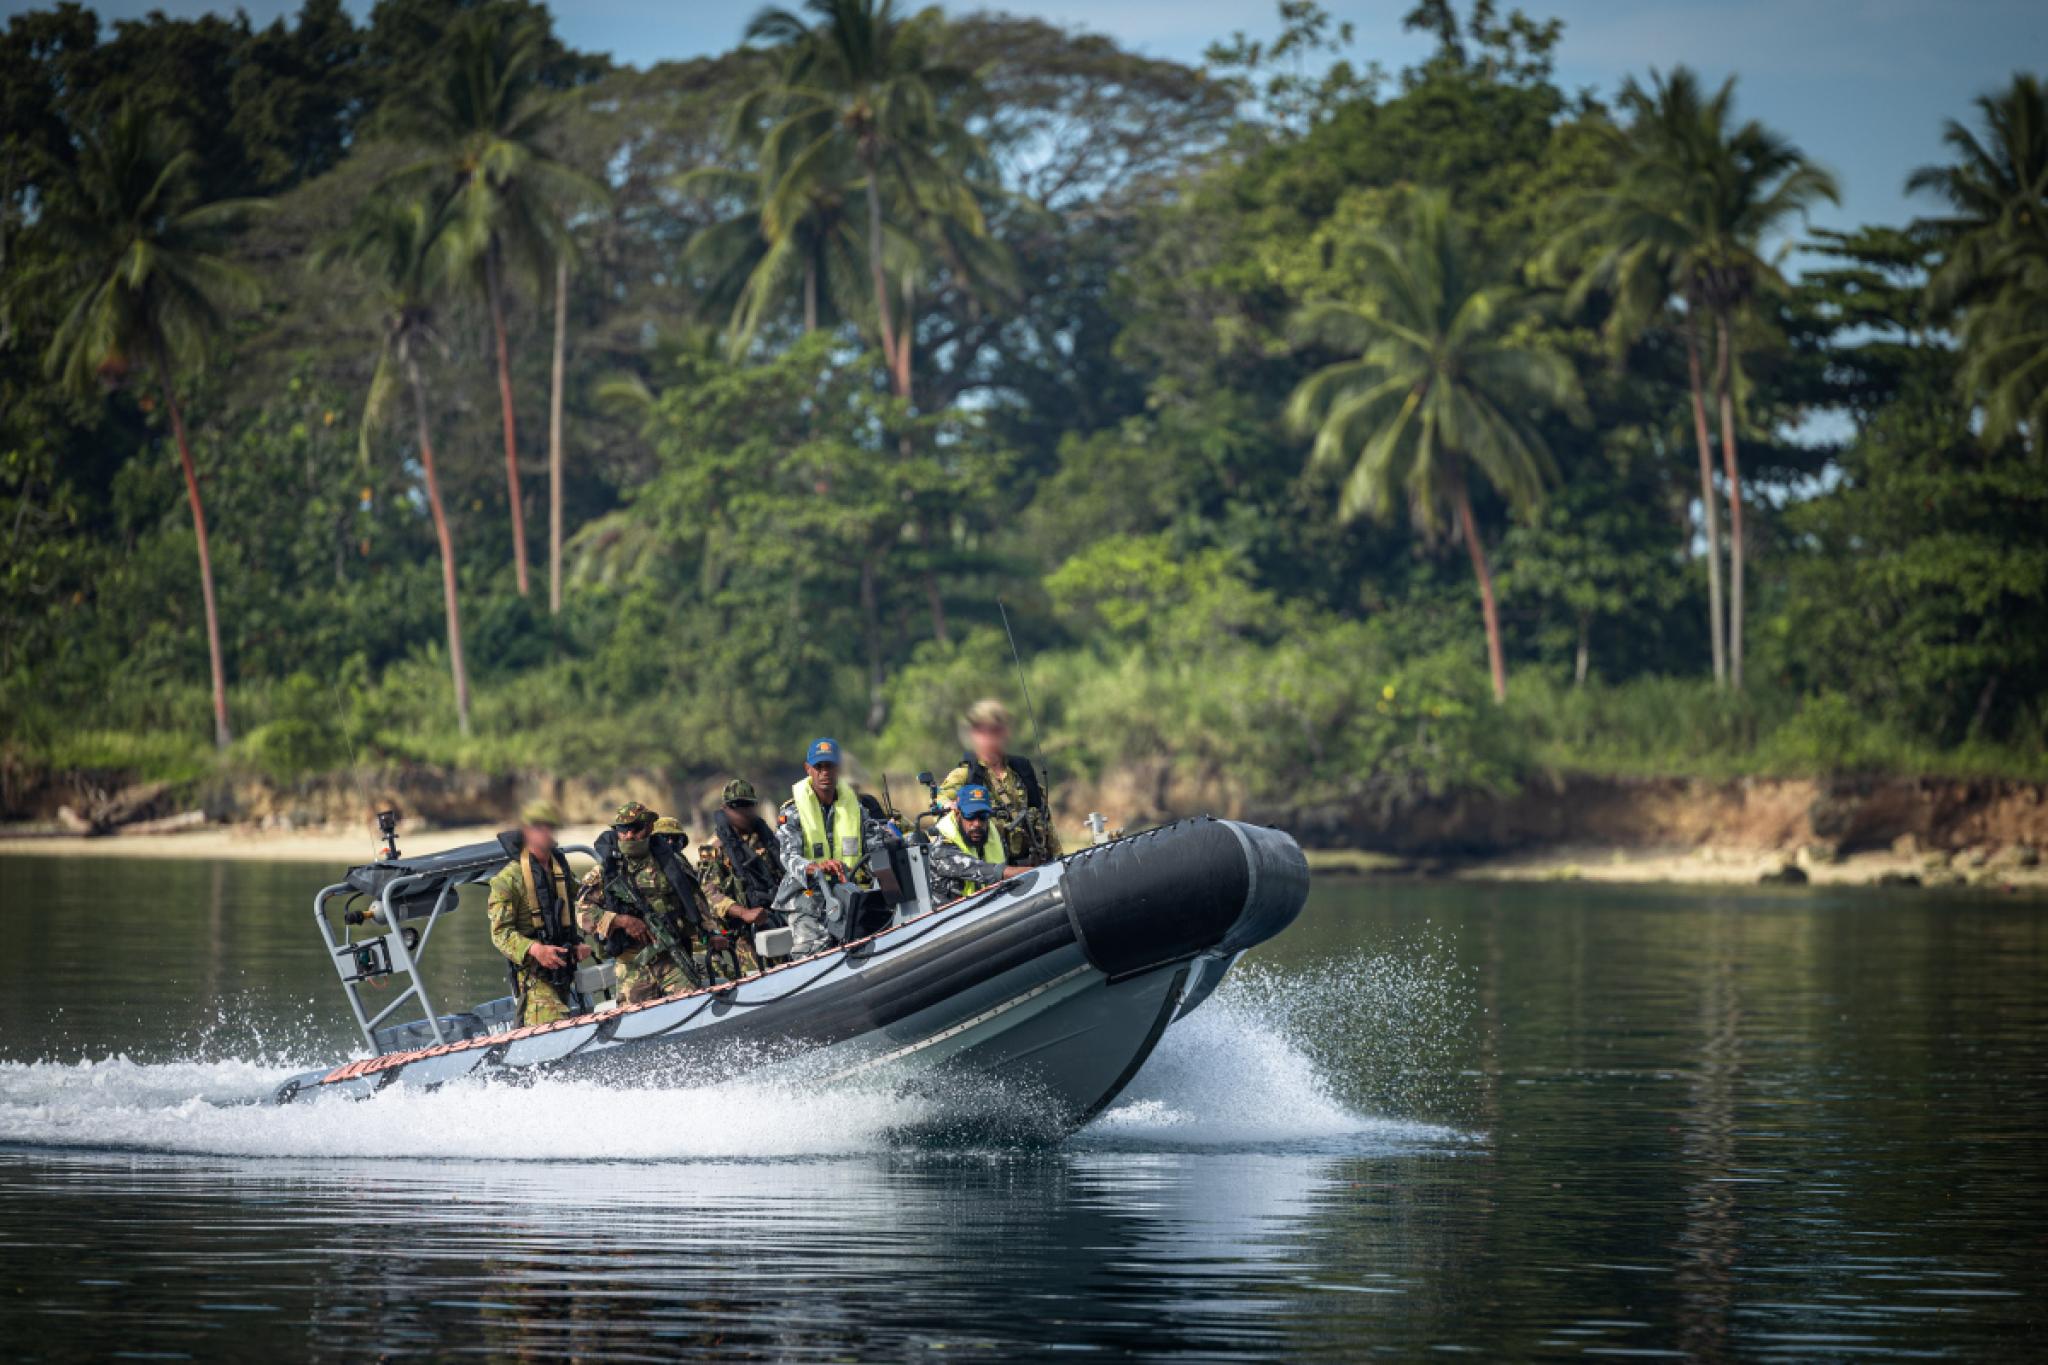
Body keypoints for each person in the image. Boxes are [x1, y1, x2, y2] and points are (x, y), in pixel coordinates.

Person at [576, 801, 724, 1004]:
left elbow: (696, 899)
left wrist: (711, 933)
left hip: (672, 956)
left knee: (695, 1004)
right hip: (633, 966)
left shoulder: (671, 862)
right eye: (622, 830)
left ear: (649, 828)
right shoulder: (606, 872)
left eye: (635, 829)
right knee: (635, 1025)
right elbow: (582, 913)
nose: (629, 836)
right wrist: (623, 921)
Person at [776, 737, 891, 954]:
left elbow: (876, 847)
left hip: (848, 893)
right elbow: (788, 856)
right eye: (819, 767)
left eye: (829, 766)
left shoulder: (857, 809)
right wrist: (816, 867)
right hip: (807, 895)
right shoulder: (792, 812)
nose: (824, 772)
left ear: (838, 768)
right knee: (814, 950)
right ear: (808, 769)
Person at [487, 799, 591, 1027]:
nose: (547, 832)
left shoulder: (560, 870)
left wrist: (581, 942)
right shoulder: (507, 881)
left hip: (566, 972)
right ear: (526, 831)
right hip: (536, 981)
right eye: (539, 826)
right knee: (556, 1032)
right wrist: (535, 949)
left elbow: (584, 901)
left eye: (550, 826)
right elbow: (500, 934)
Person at [938, 698, 1061, 865]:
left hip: (1035, 866)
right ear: (973, 734)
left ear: (1005, 731)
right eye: (982, 730)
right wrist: (948, 806)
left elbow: (1044, 818)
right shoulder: (965, 776)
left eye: (995, 729)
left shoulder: (1021, 772)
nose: (989, 736)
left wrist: (1059, 859)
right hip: (996, 873)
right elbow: (938, 803)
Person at [698, 779, 787, 968]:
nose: (743, 811)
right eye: (735, 806)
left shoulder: (767, 839)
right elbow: (708, 894)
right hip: (742, 930)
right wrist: (743, 912)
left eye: (747, 805)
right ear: (724, 808)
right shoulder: (715, 847)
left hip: (778, 916)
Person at [929, 784, 1030, 902]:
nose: (977, 824)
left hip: (990, 905)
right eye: (970, 816)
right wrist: (1032, 872)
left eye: (982, 816)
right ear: (957, 814)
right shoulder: (942, 850)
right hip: (956, 915)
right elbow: (984, 870)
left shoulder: (991, 835)